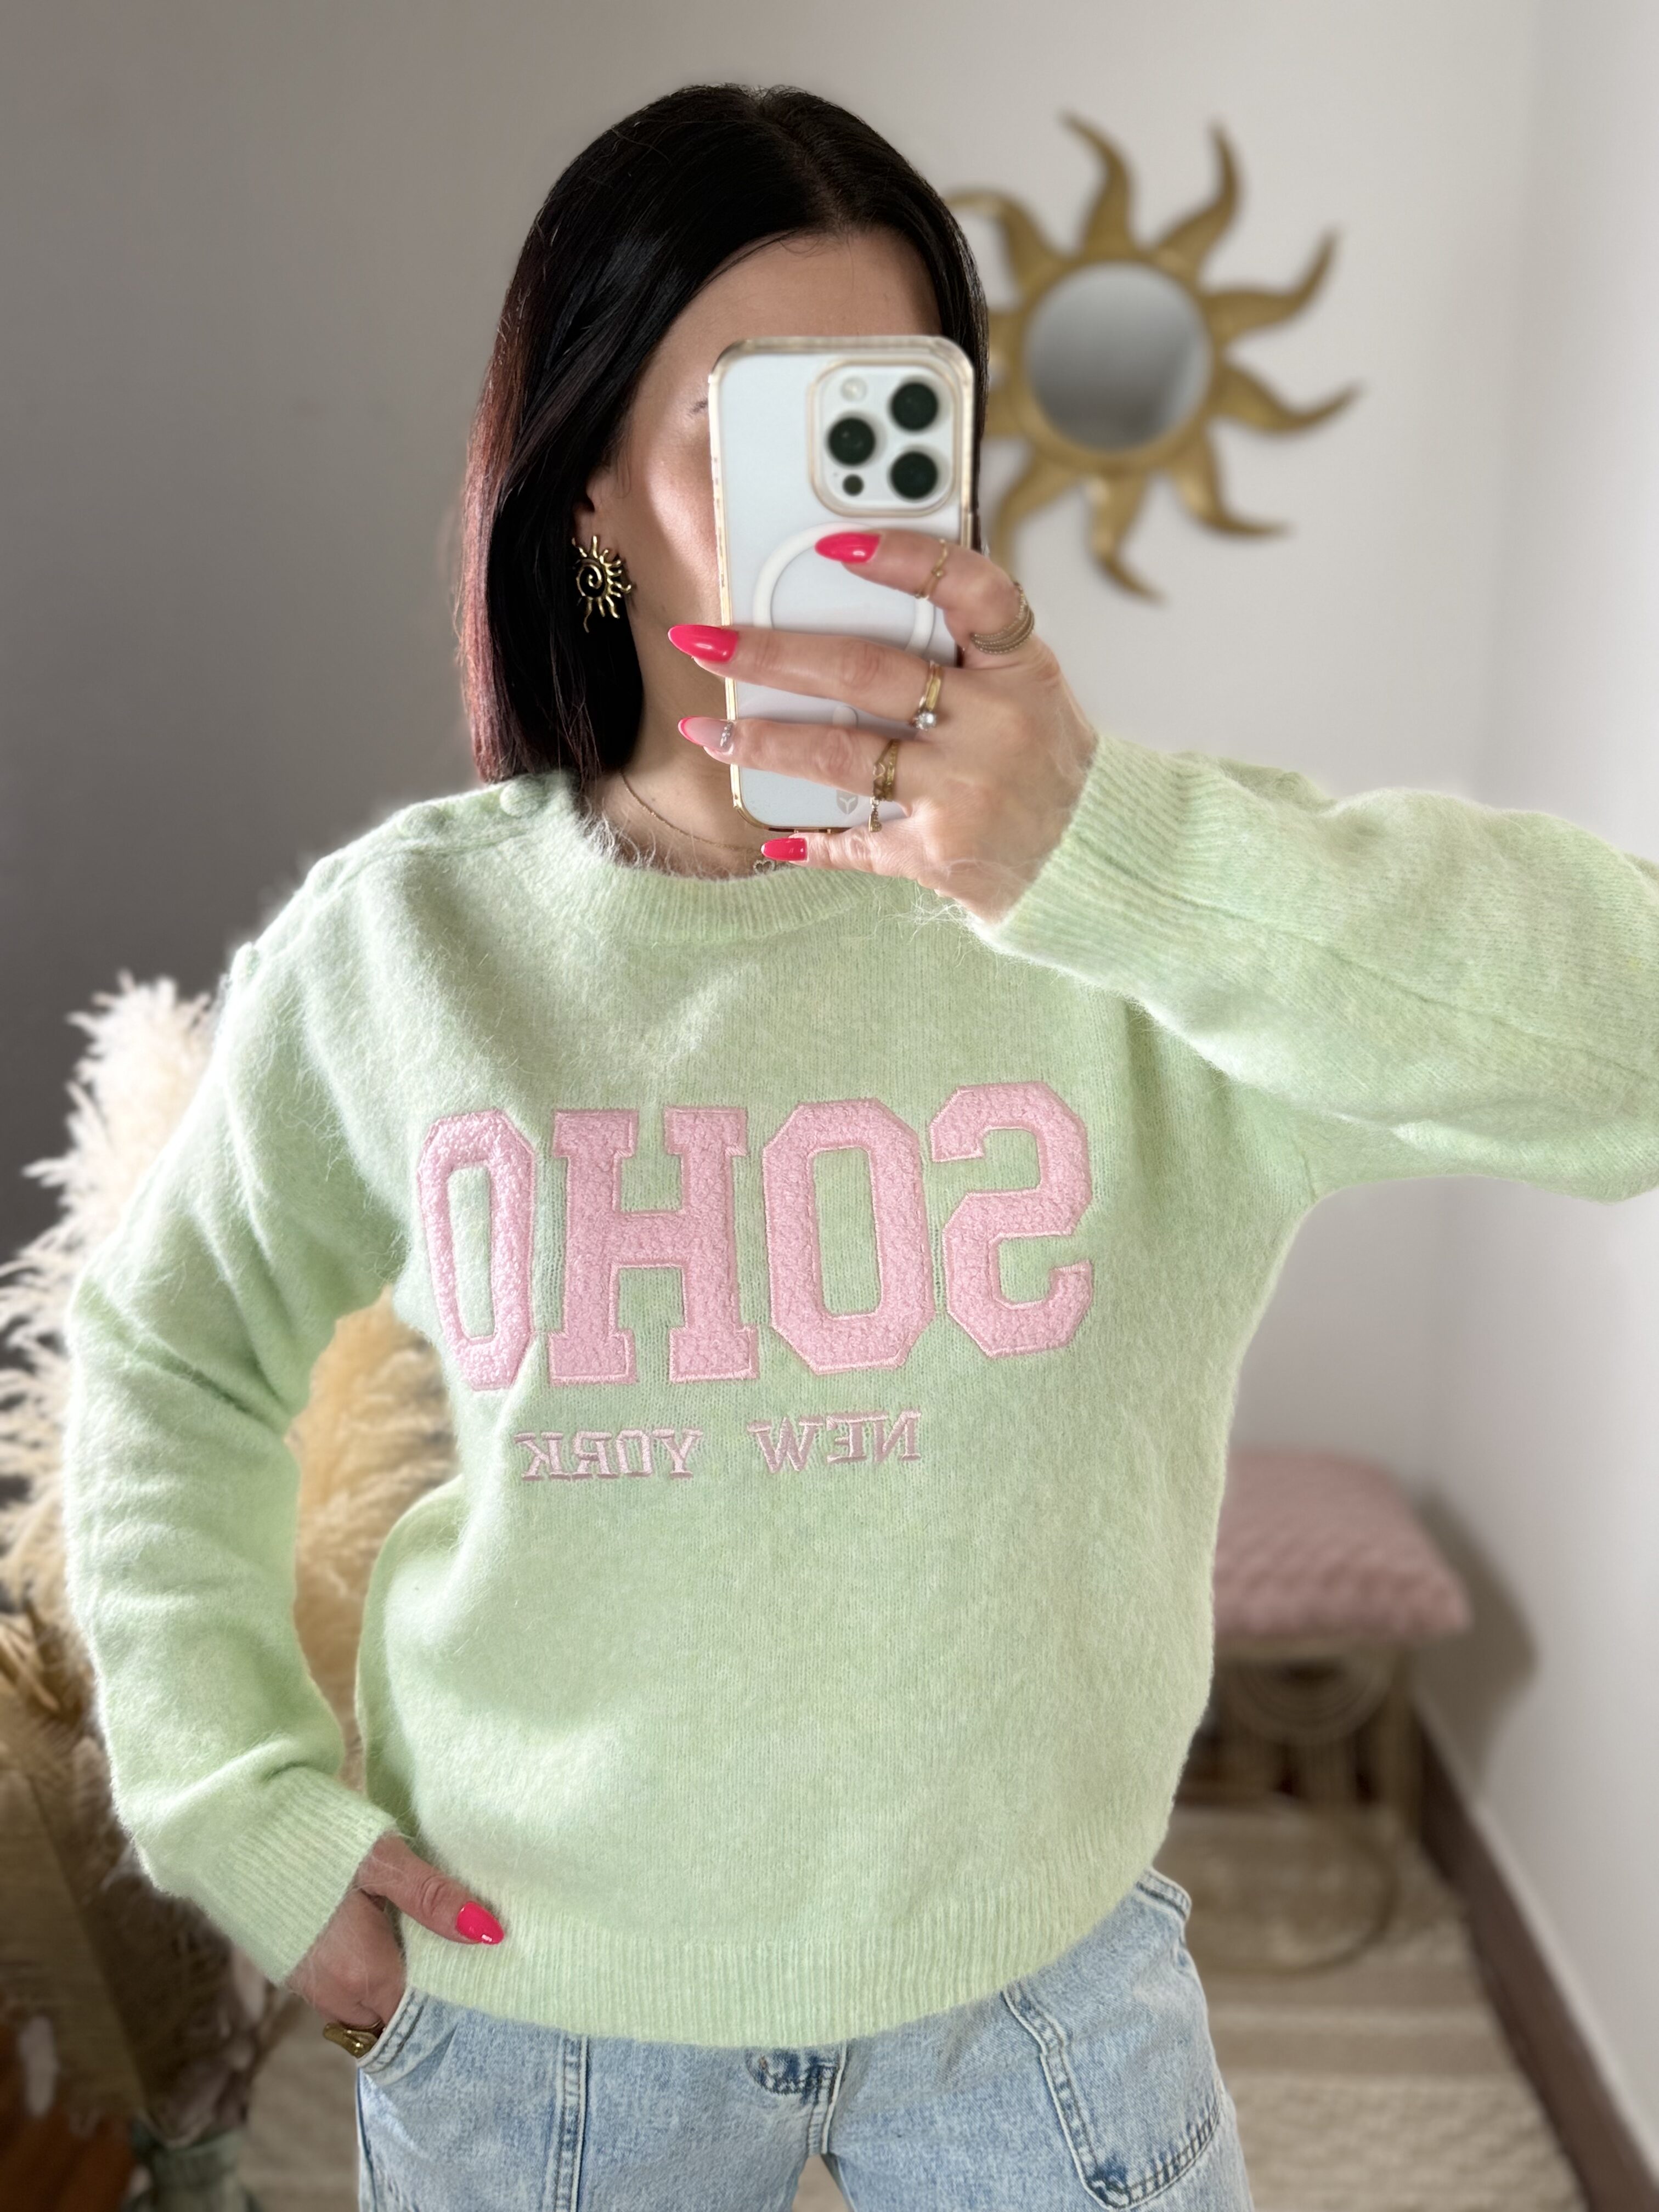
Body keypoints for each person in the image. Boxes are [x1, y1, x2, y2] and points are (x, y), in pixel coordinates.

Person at [59, 81, 1659, 2212]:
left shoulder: (1143, 915)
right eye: (745, 427)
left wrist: (1104, 855)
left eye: (885, 419)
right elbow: (168, 1357)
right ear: (590, 495)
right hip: (547, 2009)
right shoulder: (409, 951)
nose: (826, 505)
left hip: (1043, 1989)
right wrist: (242, 1806)